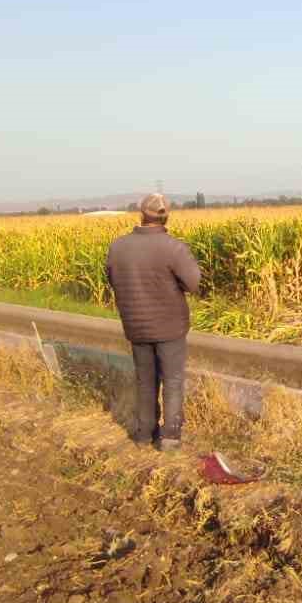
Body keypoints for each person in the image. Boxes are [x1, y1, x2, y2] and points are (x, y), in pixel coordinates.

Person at [105, 193, 202, 451]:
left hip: (135, 325)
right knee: (172, 380)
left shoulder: (118, 246)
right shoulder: (173, 247)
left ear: (141, 213)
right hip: (170, 325)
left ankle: (144, 434)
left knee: (145, 380)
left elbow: (113, 279)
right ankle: (170, 437)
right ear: (165, 215)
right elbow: (194, 283)